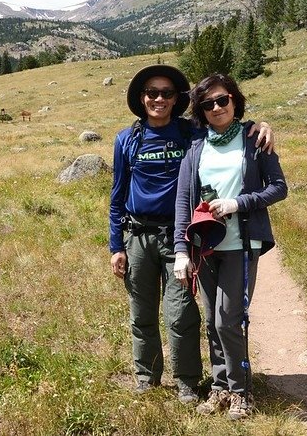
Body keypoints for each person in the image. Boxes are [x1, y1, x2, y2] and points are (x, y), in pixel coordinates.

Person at [109, 65, 275, 404]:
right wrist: (116, 246)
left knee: (182, 312)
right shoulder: (127, 139)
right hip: (137, 235)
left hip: (180, 236)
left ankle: (187, 381)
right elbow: (117, 195)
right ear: (142, 98)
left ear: (176, 99)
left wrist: (259, 127)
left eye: (167, 93)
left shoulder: (189, 134)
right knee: (141, 313)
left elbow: (225, 127)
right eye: (152, 93)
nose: (159, 99)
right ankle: (146, 377)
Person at [173, 73, 288, 420]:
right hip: (205, 246)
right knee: (212, 319)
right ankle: (221, 387)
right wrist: (181, 250)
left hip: (241, 243)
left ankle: (241, 391)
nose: (217, 107)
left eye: (223, 99)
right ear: (201, 110)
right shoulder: (196, 148)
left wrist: (239, 203)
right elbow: (183, 202)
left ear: (235, 101)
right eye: (208, 103)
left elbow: (279, 187)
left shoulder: (254, 139)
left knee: (228, 320)